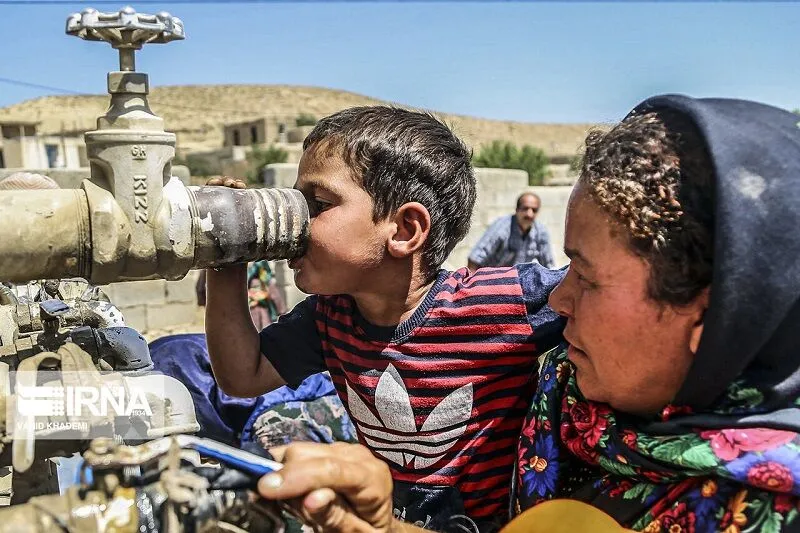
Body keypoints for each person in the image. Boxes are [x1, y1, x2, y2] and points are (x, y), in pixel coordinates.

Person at [256, 95, 800, 533]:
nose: (559, 302)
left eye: (586, 276)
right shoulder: (565, 399)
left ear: (712, 318)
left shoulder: (761, 508)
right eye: (567, 268)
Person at [205, 106, 565, 531]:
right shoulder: (330, 317)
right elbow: (242, 375)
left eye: (318, 204)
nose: (297, 223)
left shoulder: (501, 302)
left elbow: (601, 287)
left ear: (404, 230)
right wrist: (226, 253)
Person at [467, 192, 555, 270]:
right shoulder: (502, 227)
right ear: (517, 209)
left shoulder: (540, 232)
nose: (529, 214)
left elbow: (548, 266)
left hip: (516, 280)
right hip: (490, 279)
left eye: (534, 210)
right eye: (525, 208)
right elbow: (475, 259)